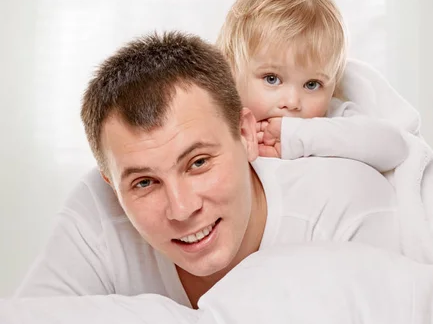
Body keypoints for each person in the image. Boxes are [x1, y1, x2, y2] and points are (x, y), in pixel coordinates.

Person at [16, 31, 400, 306]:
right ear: (111, 185)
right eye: (145, 182)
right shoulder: (95, 214)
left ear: (247, 134)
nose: (182, 209)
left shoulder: (346, 204)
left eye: (198, 163)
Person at [217, 0, 408, 169]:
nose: (292, 102)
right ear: (231, 72)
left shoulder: (332, 119)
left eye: (312, 84)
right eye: (272, 79)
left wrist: (298, 136)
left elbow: (395, 148)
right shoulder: (221, 124)